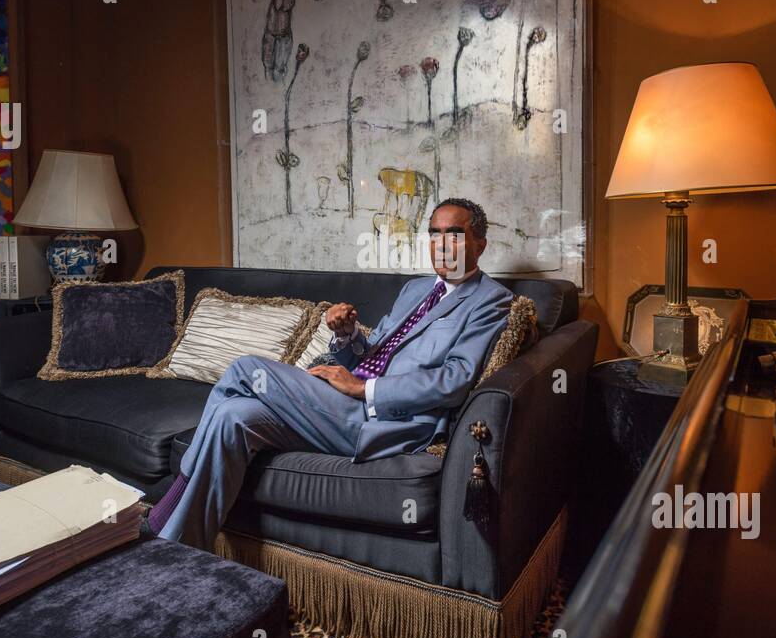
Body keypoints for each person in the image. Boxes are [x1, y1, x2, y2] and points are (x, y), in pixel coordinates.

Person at [145, 197, 513, 550]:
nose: (442, 244)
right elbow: (372, 353)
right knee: (232, 417)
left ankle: (173, 496)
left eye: (455, 234)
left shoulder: (489, 299)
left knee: (245, 368)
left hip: (379, 418)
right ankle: (180, 548)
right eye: (434, 234)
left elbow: (455, 380)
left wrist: (363, 390)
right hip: (336, 405)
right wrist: (347, 334)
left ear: (479, 244)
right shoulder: (415, 289)